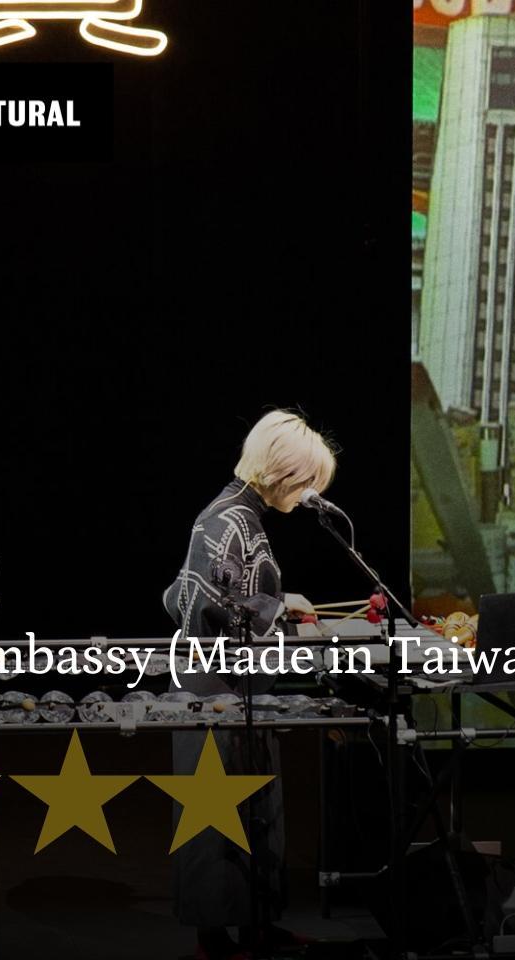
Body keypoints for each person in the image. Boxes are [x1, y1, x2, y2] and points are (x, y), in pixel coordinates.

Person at [161, 409, 336, 960]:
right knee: (215, 817)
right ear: (282, 470)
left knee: (259, 807)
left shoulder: (245, 516)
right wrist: (278, 608)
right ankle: (214, 939)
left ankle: (257, 926)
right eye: (307, 483)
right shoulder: (224, 518)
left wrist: (280, 603)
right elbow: (201, 601)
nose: (308, 496)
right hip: (210, 685)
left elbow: (228, 594)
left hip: (238, 684)